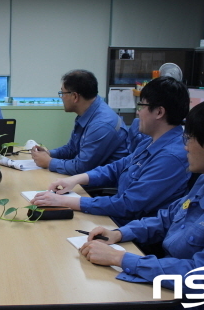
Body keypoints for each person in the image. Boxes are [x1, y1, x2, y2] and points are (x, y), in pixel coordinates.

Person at [56, 95, 204, 310]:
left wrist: (121, 258)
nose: (185, 146)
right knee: (72, 304)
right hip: (159, 294)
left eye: (190, 138)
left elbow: (201, 276)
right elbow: (168, 217)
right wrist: (119, 234)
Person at [32, 76, 190, 226]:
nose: (138, 112)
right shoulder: (151, 140)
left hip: (131, 229)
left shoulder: (170, 157)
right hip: (117, 216)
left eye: (142, 106)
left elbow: (128, 205)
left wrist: (64, 201)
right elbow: (118, 167)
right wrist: (75, 180)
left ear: (159, 112)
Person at [31, 70, 129, 175]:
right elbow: (72, 149)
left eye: (62, 93)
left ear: (75, 97)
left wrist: (49, 162)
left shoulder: (101, 125)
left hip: (99, 186)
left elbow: (82, 167)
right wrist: (49, 153)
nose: (61, 98)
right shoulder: (88, 113)